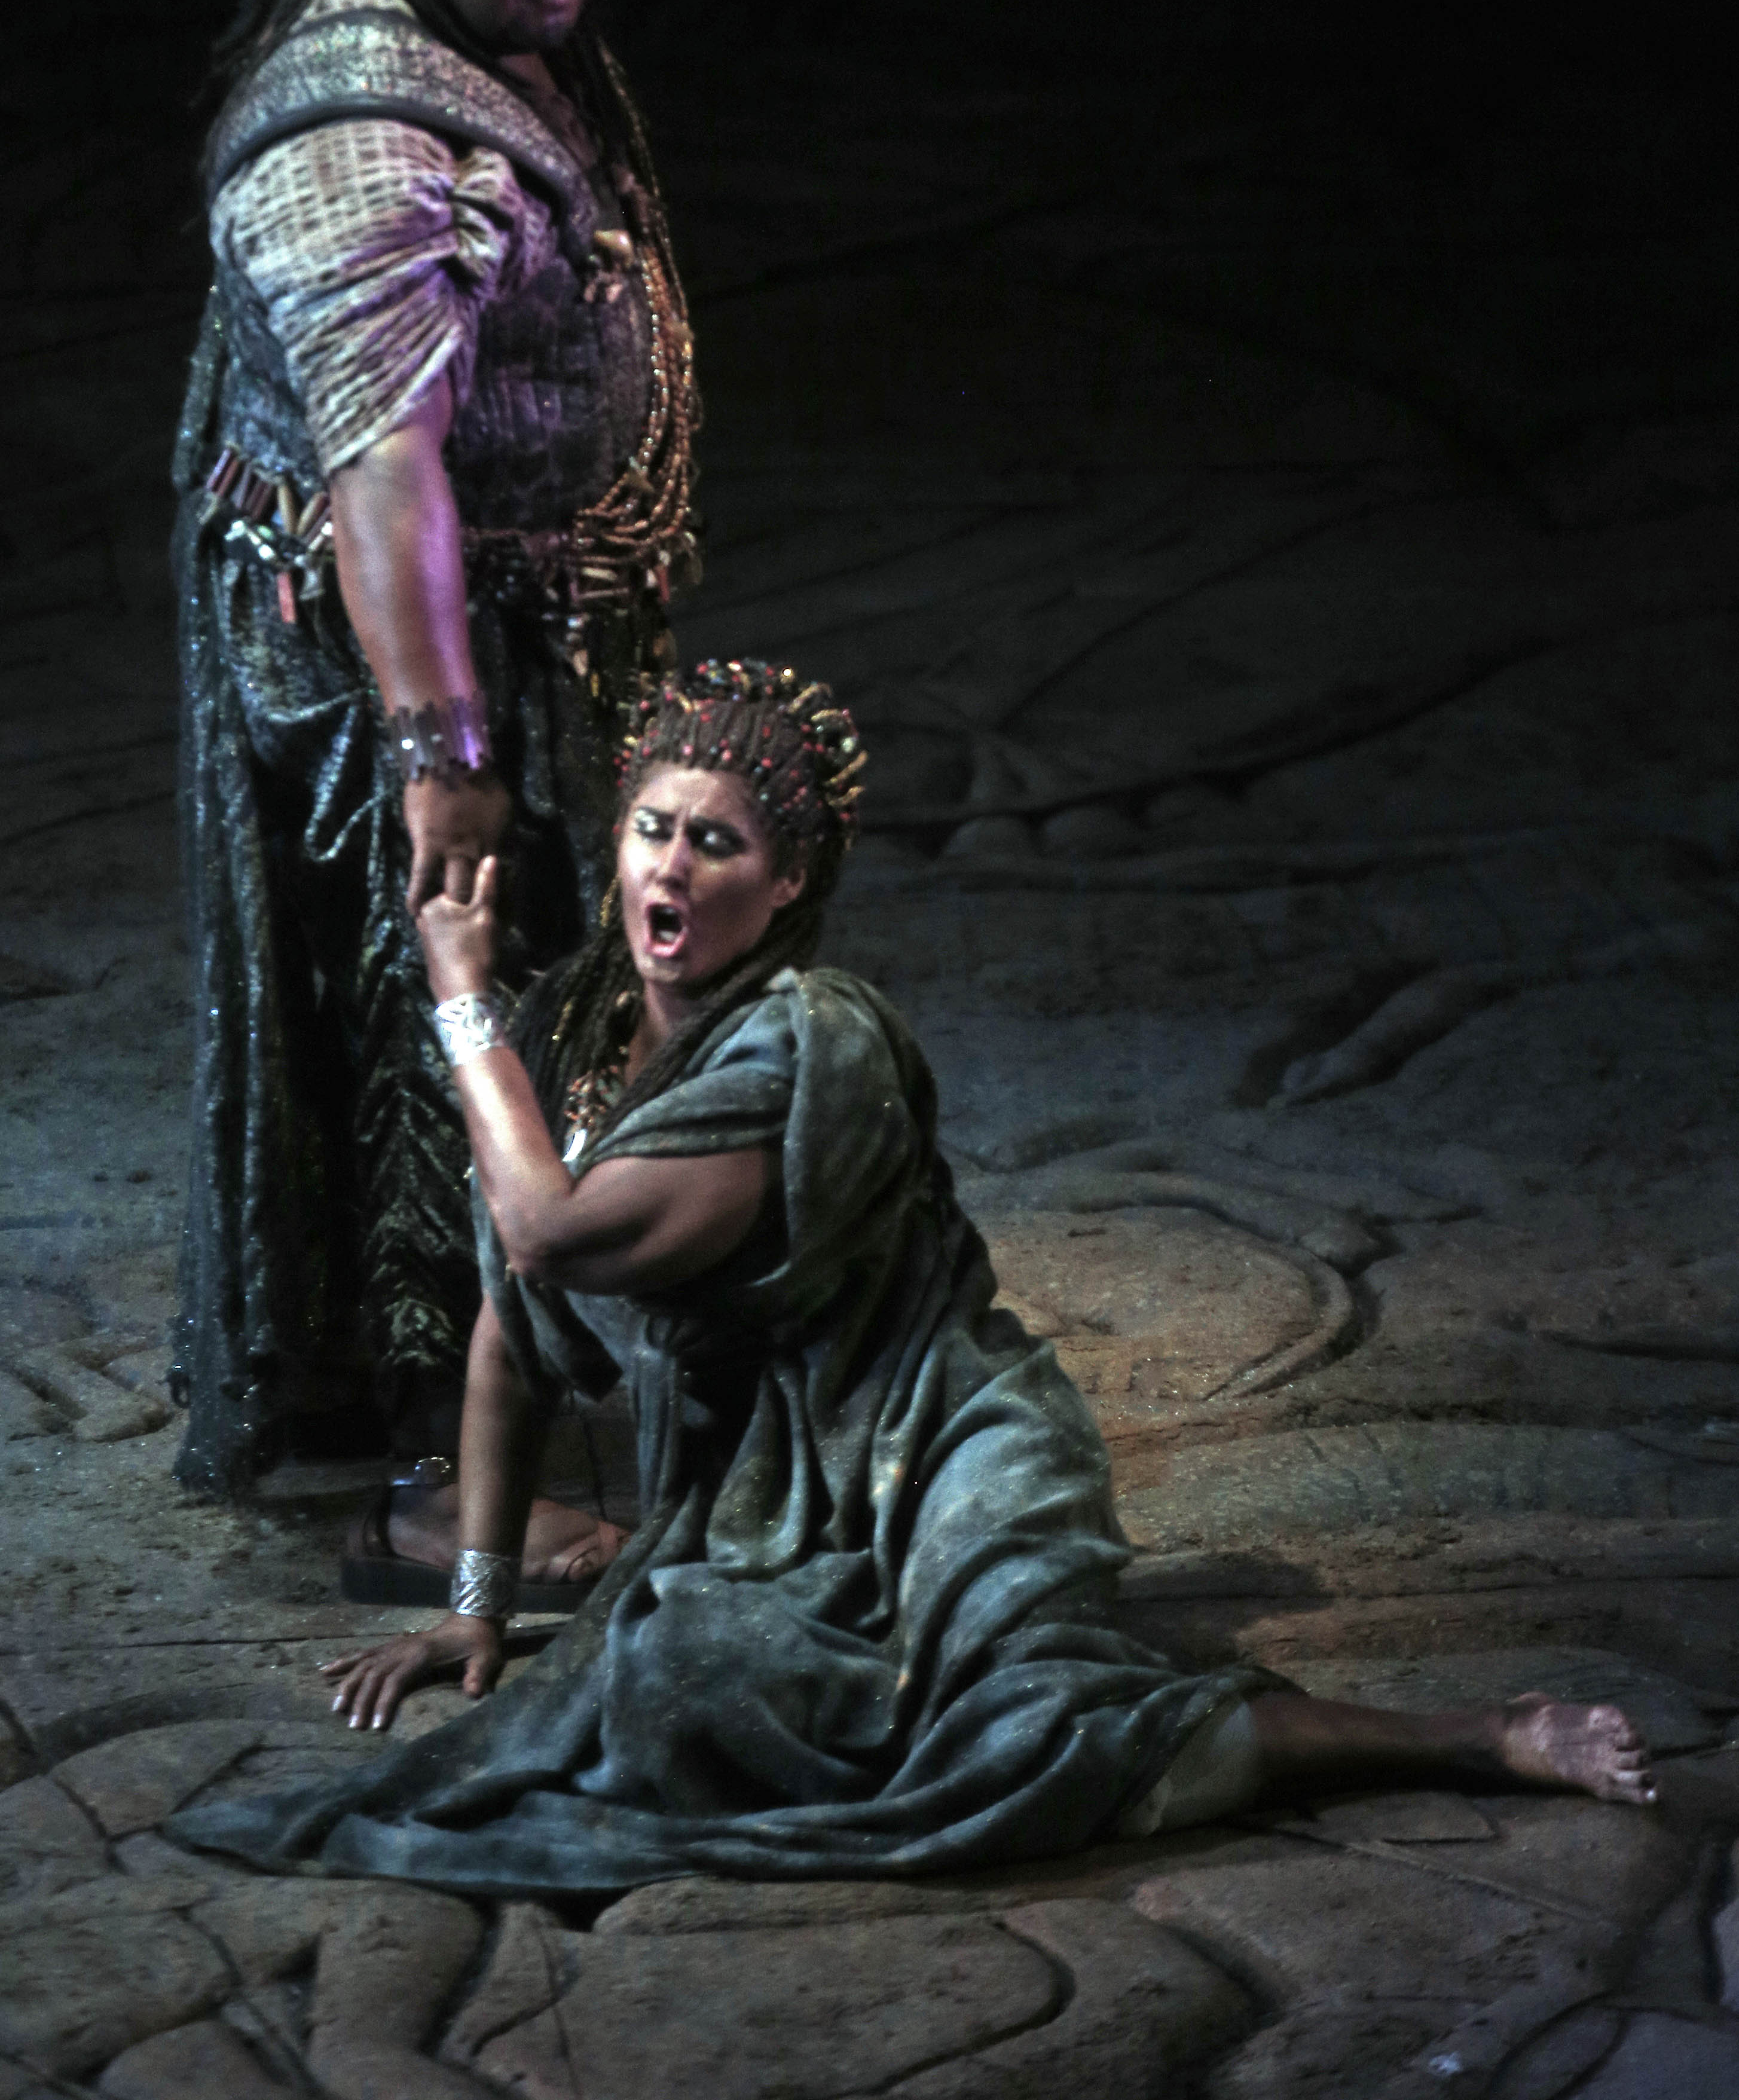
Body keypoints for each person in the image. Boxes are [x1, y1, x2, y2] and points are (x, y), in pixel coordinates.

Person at [168, 663, 1655, 1897]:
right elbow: (511, 1318)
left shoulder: (811, 1042)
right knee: (676, 1676)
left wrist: (457, 995)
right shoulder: (576, 1036)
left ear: (787, 880)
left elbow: (550, 1229)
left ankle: (1473, 1733)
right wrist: (478, 1608)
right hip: (758, 1490)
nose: (670, 866)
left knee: (1031, 1722)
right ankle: (705, 1596)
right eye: (652, 828)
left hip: (937, 1445)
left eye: (717, 843)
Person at [169, 0, 699, 1557]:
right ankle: (438, 1474)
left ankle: (500, 1408)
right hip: (396, 673)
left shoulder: (482, 44)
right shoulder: (354, 142)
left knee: (528, 1006)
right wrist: (440, 749)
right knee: (445, 1017)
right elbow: (381, 465)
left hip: (519, 634)